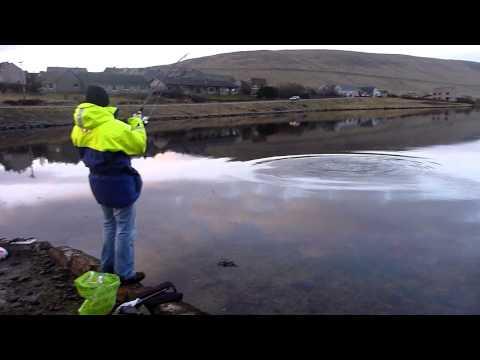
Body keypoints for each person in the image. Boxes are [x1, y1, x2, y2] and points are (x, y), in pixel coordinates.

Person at [71, 85, 147, 285]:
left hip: (97, 182)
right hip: (119, 182)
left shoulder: (79, 127)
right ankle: (125, 273)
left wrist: (122, 124)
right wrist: (138, 123)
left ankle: (107, 267)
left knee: (109, 224)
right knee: (125, 229)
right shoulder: (114, 127)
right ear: (105, 103)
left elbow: (102, 141)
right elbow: (139, 145)